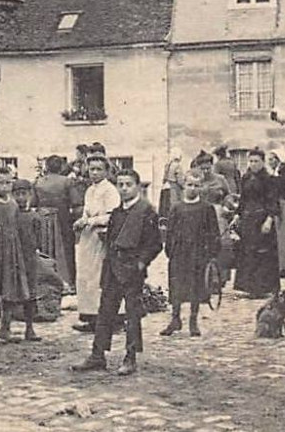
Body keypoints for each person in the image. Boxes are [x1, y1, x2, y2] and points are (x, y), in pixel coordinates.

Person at [73, 169, 163, 376]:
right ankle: (97, 356)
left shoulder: (146, 211)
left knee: (132, 315)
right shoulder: (117, 212)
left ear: (137, 186)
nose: (123, 188)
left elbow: (154, 244)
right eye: (120, 184)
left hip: (132, 271)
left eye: (128, 184)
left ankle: (130, 357)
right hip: (113, 269)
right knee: (105, 312)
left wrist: (140, 264)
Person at [0, 165, 43, 343]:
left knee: (9, 289)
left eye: (8, 183)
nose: (5, 187)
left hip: (11, 253)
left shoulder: (13, 204)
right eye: (0, 183)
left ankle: (5, 328)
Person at [162, 170, 219, 337]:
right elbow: (170, 231)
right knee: (177, 285)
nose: (192, 188)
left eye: (196, 185)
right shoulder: (176, 207)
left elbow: (213, 232)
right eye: (189, 185)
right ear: (183, 186)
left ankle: (193, 320)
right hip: (179, 253)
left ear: (201, 187)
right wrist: (170, 250)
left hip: (198, 253)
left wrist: (211, 253)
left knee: (195, 286)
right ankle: (175, 319)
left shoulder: (206, 208)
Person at [72, 154, 118, 332]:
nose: (95, 173)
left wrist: (90, 221)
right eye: (92, 169)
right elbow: (86, 211)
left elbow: (112, 215)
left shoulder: (110, 190)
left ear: (106, 171)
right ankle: (90, 316)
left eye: (99, 169)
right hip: (87, 238)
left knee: (100, 276)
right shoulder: (90, 190)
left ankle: (109, 319)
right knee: (86, 275)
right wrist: (81, 220)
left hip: (101, 236)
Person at [232, 148, 280, 298]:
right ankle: (249, 287)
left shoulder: (269, 179)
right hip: (248, 219)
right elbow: (243, 199)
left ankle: (264, 287)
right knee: (248, 252)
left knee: (263, 253)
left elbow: (273, 201)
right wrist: (237, 215)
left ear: (262, 162)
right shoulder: (246, 177)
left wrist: (269, 220)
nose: (253, 164)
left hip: (262, 219)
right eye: (251, 161)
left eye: (256, 161)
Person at [32, 155, 77, 289]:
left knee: (45, 249)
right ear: (61, 167)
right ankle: (68, 281)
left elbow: (34, 202)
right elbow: (75, 202)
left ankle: (47, 280)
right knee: (66, 249)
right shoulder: (67, 182)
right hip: (62, 218)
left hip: (43, 218)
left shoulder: (38, 182)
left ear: (46, 166)